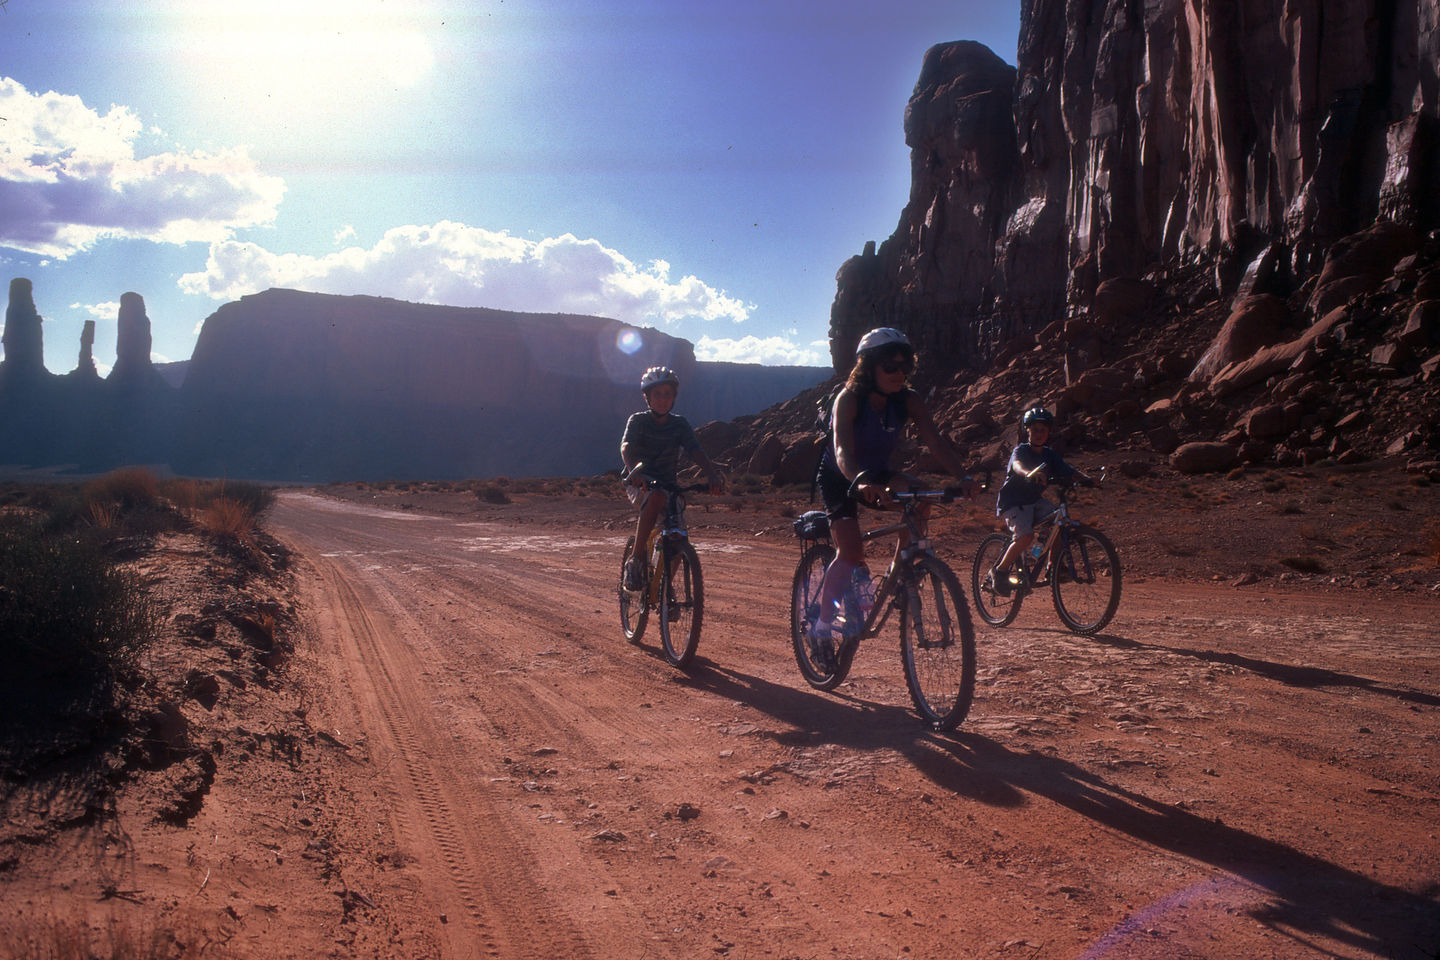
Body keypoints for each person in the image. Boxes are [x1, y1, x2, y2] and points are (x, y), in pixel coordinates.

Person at [810, 327, 976, 641]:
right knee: (849, 551)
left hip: (879, 472)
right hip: (840, 476)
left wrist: (963, 477)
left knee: (920, 497)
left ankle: (901, 574)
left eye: (905, 367)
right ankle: (820, 628)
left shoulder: (908, 400)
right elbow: (843, 450)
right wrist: (858, 482)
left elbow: (936, 443)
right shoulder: (848, 399)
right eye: (890, 367)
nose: (899, 374)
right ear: (868, 367)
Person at [620, 365, 724, 591]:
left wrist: (712, 474)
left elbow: (695, 450)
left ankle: (665, 589)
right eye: (657, 394)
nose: (663, 400)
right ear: (647, 397)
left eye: (668, 394)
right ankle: (635, 561)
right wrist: (634, 472)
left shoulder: (679, 424)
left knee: (678, 535)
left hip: (669, 485)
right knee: (656, 497)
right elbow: (626, 447)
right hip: (639, 480)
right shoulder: (637, 421)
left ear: (674, 397)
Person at [988, 406, 1094, 594]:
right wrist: (1028, 473)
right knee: (1026, 536)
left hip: (1034, 501)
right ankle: (1000, 571)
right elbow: (1017, 465)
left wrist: (1087, 479)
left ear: (1048, 432)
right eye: (1034, 430)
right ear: (1027, 431)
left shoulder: (1050, 454)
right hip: (1013, 503)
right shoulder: (1020, 450)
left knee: (1059, 523)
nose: (1039, 434)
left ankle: (1053, 567)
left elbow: (1069, 471)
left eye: (1043, 430)